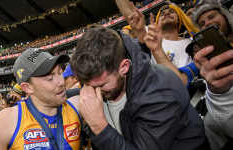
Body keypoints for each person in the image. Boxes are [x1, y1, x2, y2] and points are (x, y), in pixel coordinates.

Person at [70, 26, 205, 150]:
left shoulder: (160, 93)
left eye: (101, 85)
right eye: (88, 85)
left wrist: (98, 126)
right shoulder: (96, 79)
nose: (95, 92)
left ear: (124, 67)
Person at [0, 48, 82, 150]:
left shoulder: (78, 106)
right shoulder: (7, 121)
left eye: (60, 73)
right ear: (28, 87)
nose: (61, 82)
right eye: (50, 78)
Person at [115, 0, 199, 86]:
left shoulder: (191, 44)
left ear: (179, 19)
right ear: (157, 22)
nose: (166, 14)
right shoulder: (150, 34)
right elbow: (131, 15)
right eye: (162, 14)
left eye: (171, 12)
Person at [191, 0, 233, 149]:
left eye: (211, 16)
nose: (207, 23)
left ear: (225, 16)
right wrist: (219, 93)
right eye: (202, 23)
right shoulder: (206, 63)